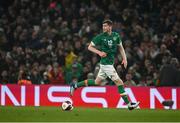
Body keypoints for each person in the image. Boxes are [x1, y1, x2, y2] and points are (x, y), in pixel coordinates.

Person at [70, 19, 140, 110]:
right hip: (106, 64)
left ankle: (75, 85)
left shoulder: (116, 36)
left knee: (96, 82)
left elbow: (121, 48)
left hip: (108, 64)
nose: (103, 28)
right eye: (103, 26)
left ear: (110, 27)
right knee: (119, 82)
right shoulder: (100, 37)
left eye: (105, 26)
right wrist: (99, 52)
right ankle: (129, 104)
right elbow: (89, 47)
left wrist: (125, 59)